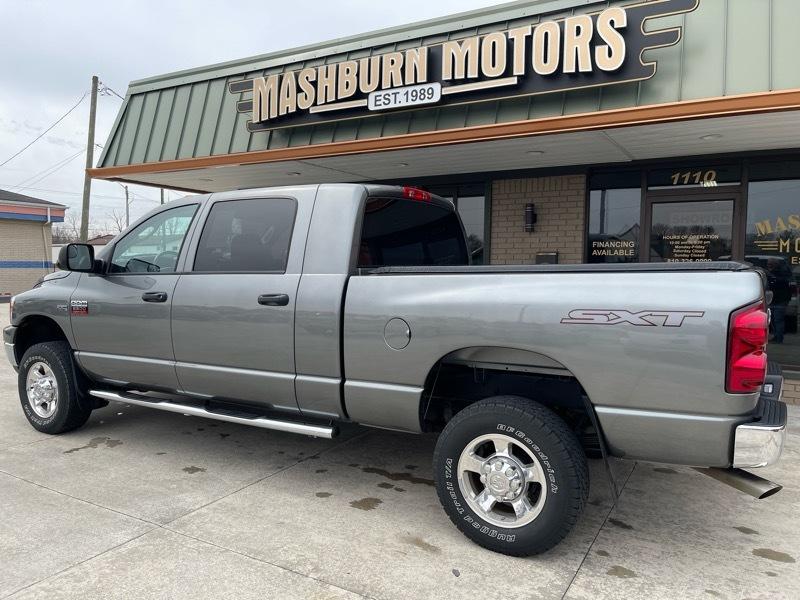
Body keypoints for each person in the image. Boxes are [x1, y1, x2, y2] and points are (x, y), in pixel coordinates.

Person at [766, 257, 791, 344]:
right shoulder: (772, 273)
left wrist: (772, 277)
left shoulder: (781, 273)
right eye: (768, 264)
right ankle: (776, 336)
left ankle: (779, 338)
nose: (768, 265)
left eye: (770, 264)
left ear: (775, 264)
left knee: (778, 320)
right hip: (773, 299)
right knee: (774, 320)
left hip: (780, 300)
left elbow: (782, 283)